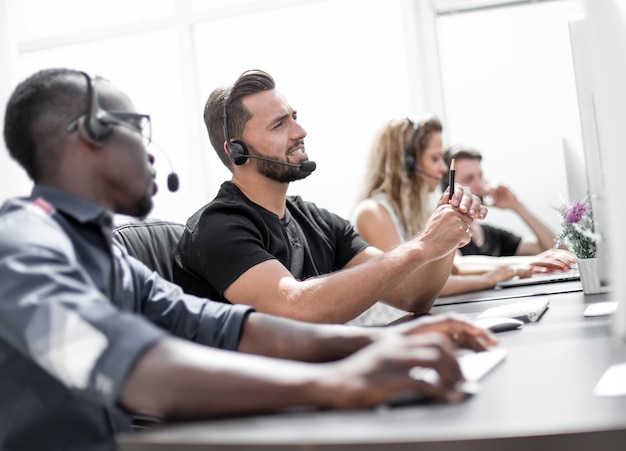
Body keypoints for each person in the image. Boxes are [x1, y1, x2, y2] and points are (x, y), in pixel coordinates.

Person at [0, 68, 498, 451]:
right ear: (88, 134)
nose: (152, 150)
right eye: (136, 128)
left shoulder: (99, 251)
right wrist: (336, 381)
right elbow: (134, 367)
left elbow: (226, 326)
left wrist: (374, 342)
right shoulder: (20, 252)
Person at [173, 69, 488, 325]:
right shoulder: (218, 227)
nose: (300, 131)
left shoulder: (314, 219)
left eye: (294, 116)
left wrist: (447, 232)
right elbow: (296, 308)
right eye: (279, 124)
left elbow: (413, 295)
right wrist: (423, 244)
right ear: (236, 151)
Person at [352, 117, 528, 321]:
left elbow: (453, 268)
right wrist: (490, 278)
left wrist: (520, 265)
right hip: (387, 332)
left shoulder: (417, 211)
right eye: (435, 159)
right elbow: (408, 289)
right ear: (406, 164)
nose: (443, 169)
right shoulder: (372, 213)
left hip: (412, 324)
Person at [441, 147, 575, 270]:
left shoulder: (492, 235)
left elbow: (560, 251)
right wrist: (527, 262)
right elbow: (457, 267)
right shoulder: (444, 232)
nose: (480, 186)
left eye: (480, 176)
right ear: (449, 187)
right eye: (469, 179)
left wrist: (517, 206)